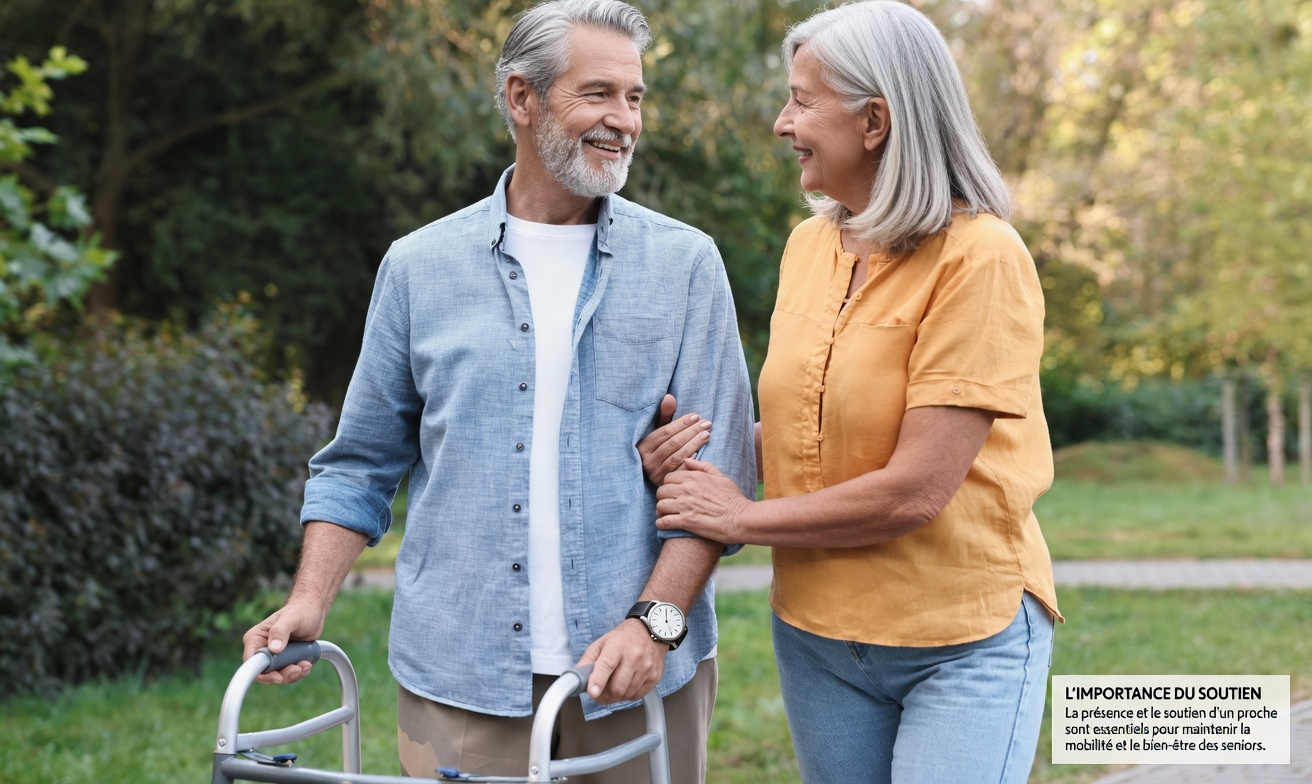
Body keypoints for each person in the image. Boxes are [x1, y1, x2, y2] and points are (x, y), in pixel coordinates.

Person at [241, 2, 756, 782]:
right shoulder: (420, 267)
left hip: (636, 673)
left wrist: (655, 625)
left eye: (636, 97)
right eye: (599, 94)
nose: (624, 120)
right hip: (460, 677)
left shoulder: (685, 264)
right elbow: (360, 462)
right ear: (522, 98)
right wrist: (310, 599)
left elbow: (723, 480)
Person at [642, 3, 1061, 782]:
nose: (781, 122)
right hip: (818, 636)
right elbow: (814, 428)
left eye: (801, 100)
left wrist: (740, 516)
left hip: (959, 639)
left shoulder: (982, 258)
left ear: (875, 122)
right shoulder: (809, 247)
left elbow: (914, 489)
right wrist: (697, 450)